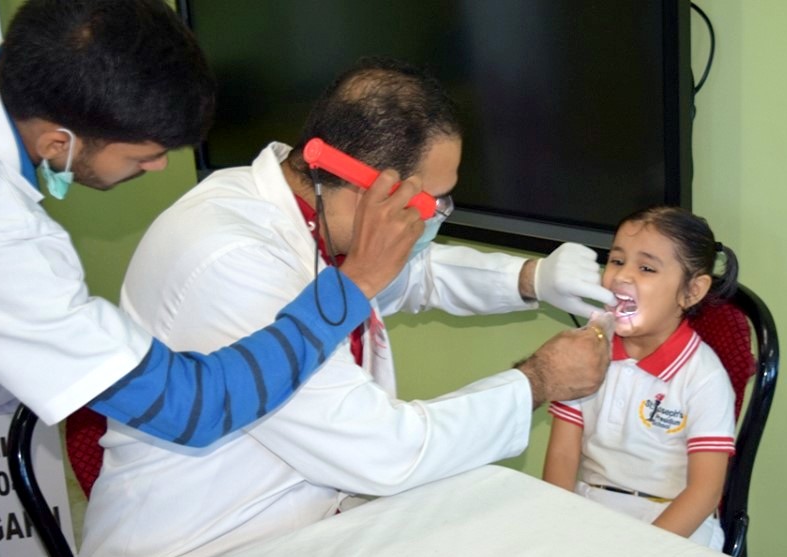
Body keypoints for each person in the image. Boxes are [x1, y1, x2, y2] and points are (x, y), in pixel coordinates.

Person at [0, 2, 427, 556]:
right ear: (56, 144)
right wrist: (350, 287)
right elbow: (193, 405)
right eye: (145, 156)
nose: (159, 168)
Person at [80, 56, 617, 556]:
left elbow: (408, 277)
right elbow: (385, 451)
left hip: (307, 519)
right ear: (374, 190)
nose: (439, 218)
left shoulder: (308, 212)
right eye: (433, 203)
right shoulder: (233, 259)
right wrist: (539, 380)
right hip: (210, 539)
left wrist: (531, 278)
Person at [543, 206, 740, 550]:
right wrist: (558, 524)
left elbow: (705, 492)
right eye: (617, 261)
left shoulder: (704, 378)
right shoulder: (584, 352)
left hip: (674, 524)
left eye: (646, 268)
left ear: (692, 291)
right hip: (590, 507)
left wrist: (642, 547)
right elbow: (561, 455)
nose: (621, 277)